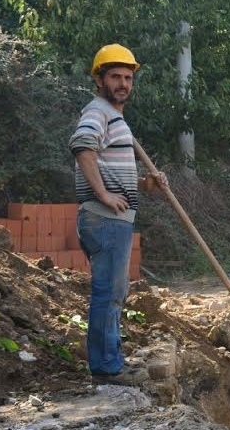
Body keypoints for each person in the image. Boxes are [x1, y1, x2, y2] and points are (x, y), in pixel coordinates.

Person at [69, 44, 166, 386]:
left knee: (114, 292)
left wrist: (145, 184)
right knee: (108, 292)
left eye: (128, 77)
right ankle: (106, 368)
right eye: (115, 77)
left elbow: (109, 168)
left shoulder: (115, 117)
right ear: (99, 79)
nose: (123, 83)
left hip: (114, 219)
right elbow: (82, 148)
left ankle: (110, 361)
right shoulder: (97, 112)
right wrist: (104, 195)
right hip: (104, 219)